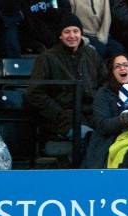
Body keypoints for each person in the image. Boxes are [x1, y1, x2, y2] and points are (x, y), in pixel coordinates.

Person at [26, 14, 107, 159]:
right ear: (60, 36)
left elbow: (104, 84)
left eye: (75, 31)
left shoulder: (92, 55)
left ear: (81, 33)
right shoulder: (47, 58)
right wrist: (59, 113)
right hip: (63, 119)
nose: (72, 36)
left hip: (93, 114)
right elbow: (35, 93)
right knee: (88, 138)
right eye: (67, 32)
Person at [85, 54, 128, 168]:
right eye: (117, 66)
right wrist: (125, 118)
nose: (122, 68)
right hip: (108, 145)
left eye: (126, 65)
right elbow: (102, 125)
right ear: (112, 72)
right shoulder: (103, 93)